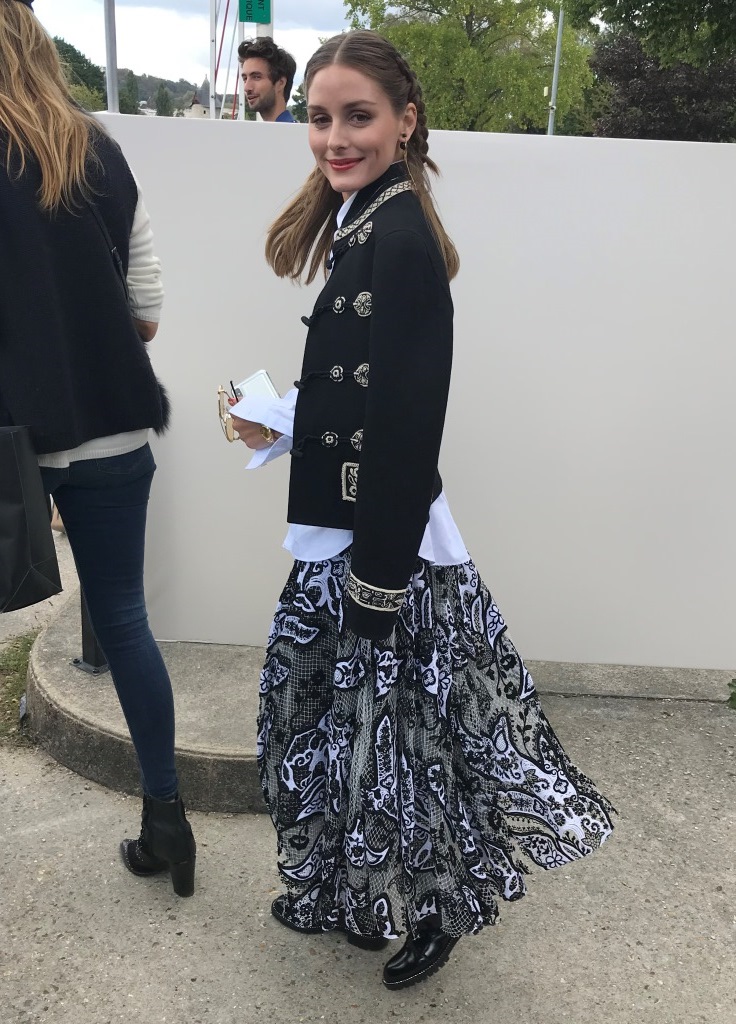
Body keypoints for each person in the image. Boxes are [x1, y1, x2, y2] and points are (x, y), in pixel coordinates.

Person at [230, 29, 615, 989]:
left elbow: (406, 430)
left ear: (405, 121)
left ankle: (438, 909)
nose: (334, 137)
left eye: (357, 116)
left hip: (383, 550)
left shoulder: (397, 240)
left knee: (409, 744)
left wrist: (376, 588)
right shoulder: (366, 218)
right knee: (336, 729)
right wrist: (279, 421)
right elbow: (355, 392)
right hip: (347, 533)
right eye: (320, 117)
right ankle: (348, 893)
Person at [0, 0, 195, 897]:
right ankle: (167, 819)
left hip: (10, 438)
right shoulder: (101, 154)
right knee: (124, 620)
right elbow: (145, 313)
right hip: (112, 425)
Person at [238, 35, 297, 123]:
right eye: (245, 79)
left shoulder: (293, 131)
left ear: (280, 83)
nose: (246, 88)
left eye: (256, 77)